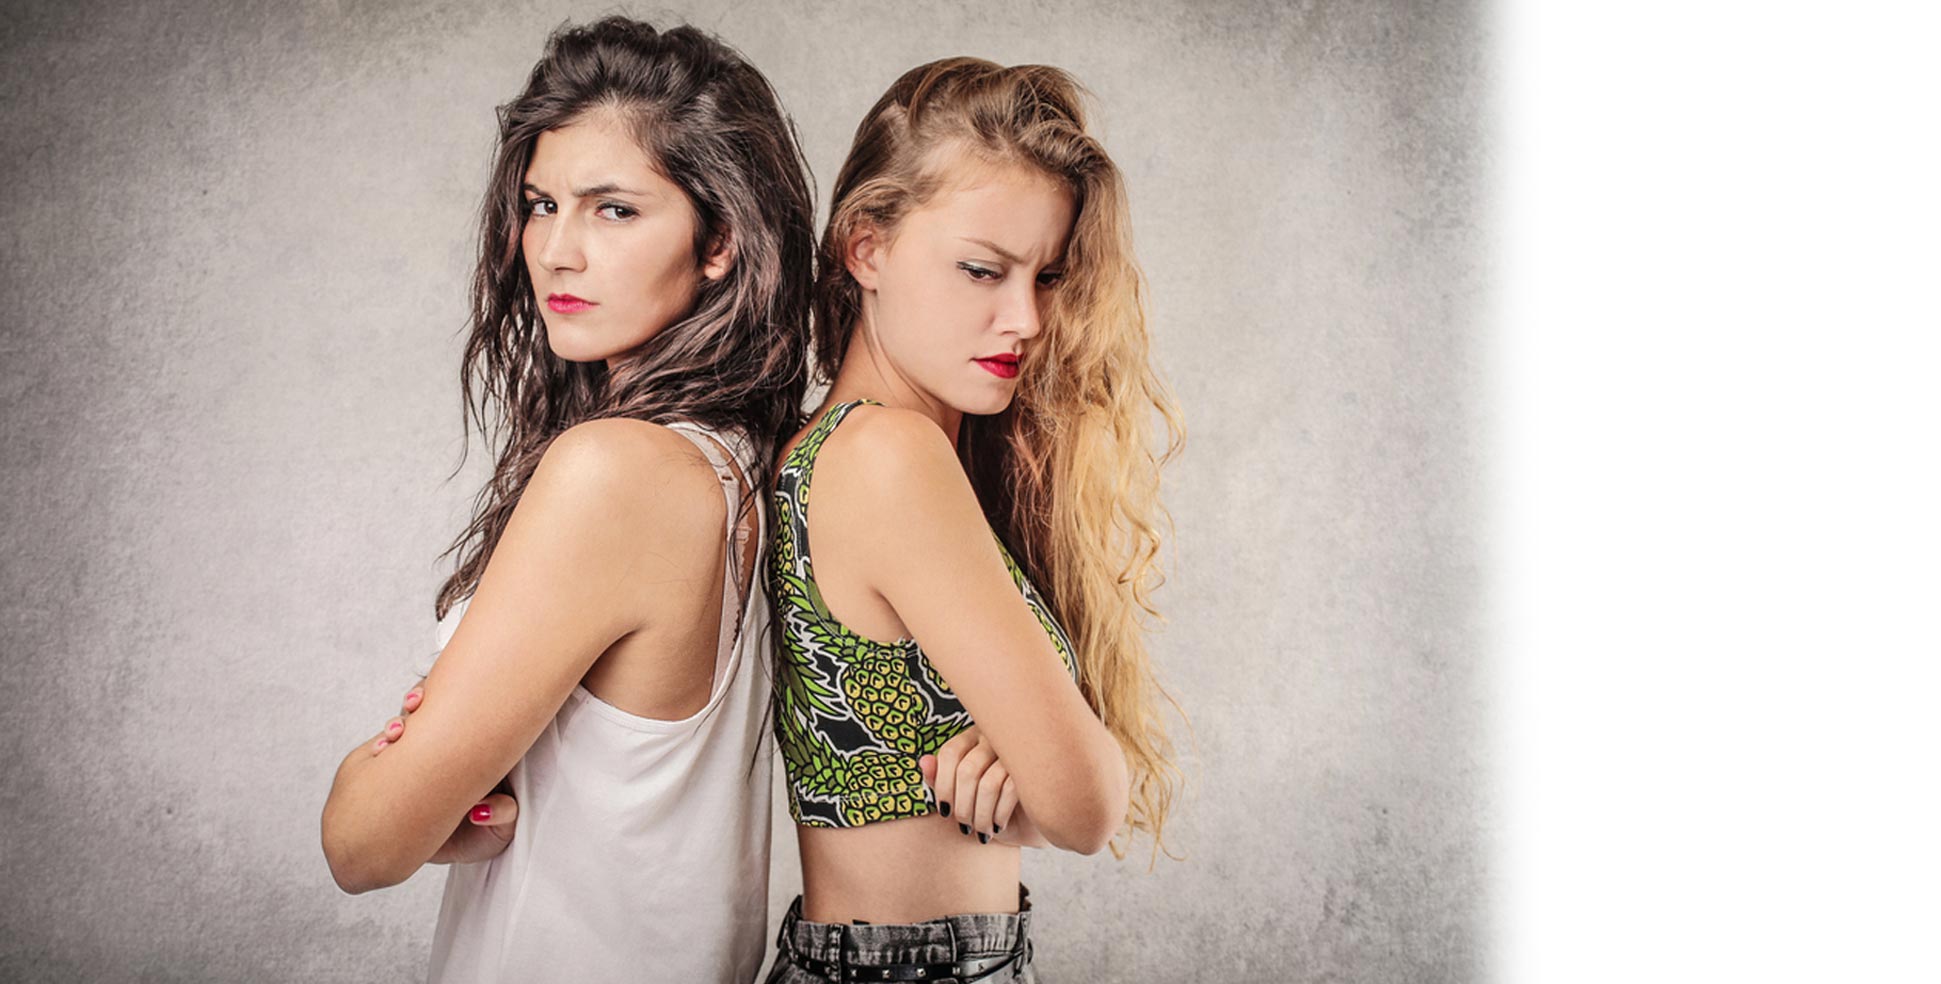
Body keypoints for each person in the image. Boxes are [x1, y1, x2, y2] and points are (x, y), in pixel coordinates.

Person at [318, 16, 815, 983]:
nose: (554, 250)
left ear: (720, 240)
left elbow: (362, 845)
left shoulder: (617, 472)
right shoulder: (741, 460)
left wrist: (369, 779)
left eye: (613, 210)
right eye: (541, 205)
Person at [764, 57, 1183, 983]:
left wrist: (1035, 765)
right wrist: (1054, 777)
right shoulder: (887, 457)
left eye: (1047, 276)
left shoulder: (847, 450)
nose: (1024, 317)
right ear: (865, 248)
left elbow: (1062, 792)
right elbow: (1088, 806)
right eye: (981, 270)